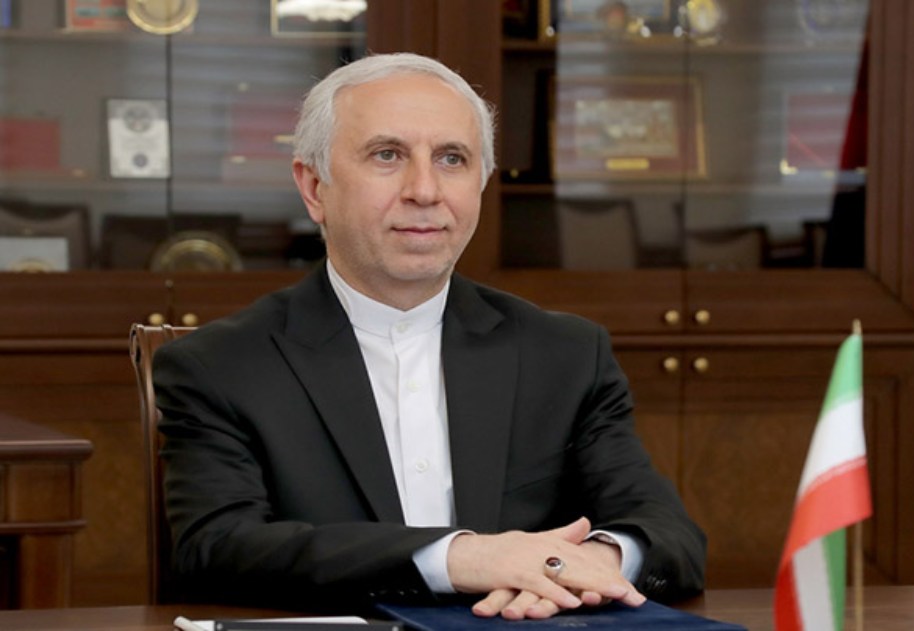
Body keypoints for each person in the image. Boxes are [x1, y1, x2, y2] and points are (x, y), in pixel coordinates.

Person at [153, 52, 705, 620]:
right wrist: (463, 558)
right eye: (387, 155)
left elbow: (668, 533)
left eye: (451, 159)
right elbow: (216, 548)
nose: (424, 190)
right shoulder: (219, 366)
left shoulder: (566, 355)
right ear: (314, 188)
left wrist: (587, 563)